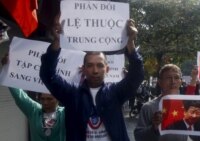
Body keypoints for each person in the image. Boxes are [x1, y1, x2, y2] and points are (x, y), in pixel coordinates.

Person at [39, 13, 144, 141]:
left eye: (100, 65)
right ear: (83, 69)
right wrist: (57, 41)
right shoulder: (71, 94)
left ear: (107, 69)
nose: (95, 71)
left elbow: (136, 76)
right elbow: (47, 74)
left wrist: (130, 43)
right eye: (90, 65)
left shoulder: (116, 92)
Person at [1, 53, 65, 141]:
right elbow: (19, 95)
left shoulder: (66, 113)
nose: (45, 102)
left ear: (57, 98)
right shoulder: (34, 111)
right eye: (42, 99)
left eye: (49, 99)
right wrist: (7, 68)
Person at [134, 64, 198, 141]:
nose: (173, 82)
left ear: (180, 82)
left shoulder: (186, 105)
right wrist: (154, 128)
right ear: (159, 82)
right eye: (168, 78)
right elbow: (138, 137)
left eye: (176, 78)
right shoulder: (148, 107)